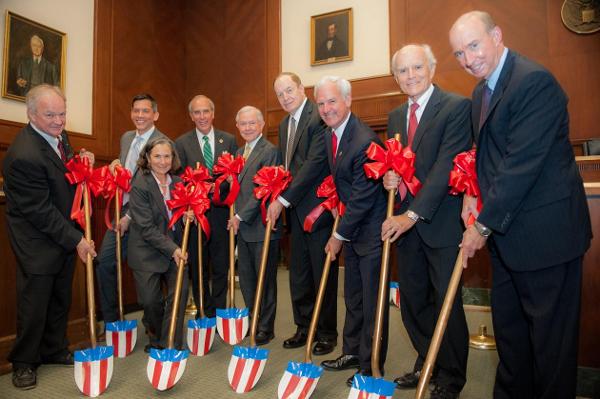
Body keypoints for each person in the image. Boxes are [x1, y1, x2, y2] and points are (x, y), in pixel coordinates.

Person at [449, 11, 592, 398]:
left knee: (550, 345)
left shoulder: (534, 82)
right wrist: (473, 192)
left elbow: (520, 165)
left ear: (496, 35)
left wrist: (481, 226)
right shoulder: (481, 91)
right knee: (511, 338)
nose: (468, 59)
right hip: (508, 238)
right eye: (459, 53)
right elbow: (489, 157)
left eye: (474, 45)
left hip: (548, 238)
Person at [380, 44, 471, 399]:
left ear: (431, 68)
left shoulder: (456, 107)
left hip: (441, 225)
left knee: (447, 304)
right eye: (402, 71)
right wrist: (390, 177)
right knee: (414, 300)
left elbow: (446, 167)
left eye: (417, 67)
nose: (410, 75)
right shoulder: (394, 116)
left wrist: (411, 214)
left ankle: (450, 377)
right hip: (407, 228)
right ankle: (426, 360)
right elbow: (397, 164)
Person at [3, 84, 96, 390]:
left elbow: (65, 169)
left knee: (60, 295)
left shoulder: (59, 137)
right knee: (35, 302)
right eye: (50, 114)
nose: (59, 120)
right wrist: (77, 239)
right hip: (37, 239)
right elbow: (41, 212)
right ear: (31, 114)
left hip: (62, 232)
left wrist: (82, 160)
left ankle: (54, 349)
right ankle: (24, 362)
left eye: (62, 113)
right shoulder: (23, 154)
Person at [315, 76, 388, 387]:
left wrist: (338, 235)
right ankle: (352, 351)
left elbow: (362, 197)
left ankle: (371, 363)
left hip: (370, 231)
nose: (327, 108)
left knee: (372, 300)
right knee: (354, 295)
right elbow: (344, 184)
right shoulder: (333, 134)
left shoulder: (364, 139)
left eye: (332, 101)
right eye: (321, 103)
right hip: (353, 228)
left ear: (347, 100)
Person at [267, 72, 338, 355]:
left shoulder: (318, 117)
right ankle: (304, 326)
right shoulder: (285, 124)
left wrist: (283, 200)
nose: (285, 97)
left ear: (301, 88)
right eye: (280, 94)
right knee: (299, 273)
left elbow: (314, 164)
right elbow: (288, 169)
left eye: (289, 90)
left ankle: (327, 333)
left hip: (317, 210)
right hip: (294, 212)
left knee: (322, 273)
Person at [95, 94, 166, 333]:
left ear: (155, 115)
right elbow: (129, 172)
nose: (140, 115)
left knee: (146, 270)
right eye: (136, 110)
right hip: (121, 211)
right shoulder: (127, 138)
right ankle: (113, 323)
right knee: (105, 261)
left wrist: (129, 217)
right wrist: (116, 164)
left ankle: (153, 323)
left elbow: (156, 188)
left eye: (145, 111)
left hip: (146, 216)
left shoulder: (162, 143)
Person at [175, 95, 238, 317]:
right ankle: (204, 311)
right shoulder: (181, 143)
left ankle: (220, 312)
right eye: (197, 112)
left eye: (205, 112)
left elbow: (235, 177)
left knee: (221, 265)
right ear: (191, 116)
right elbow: (178, 178)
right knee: (198, 265)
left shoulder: (228, 140)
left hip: (222, 213)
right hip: (196, 215)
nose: (202, 117)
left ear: (213, 113)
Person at [127, 137, 191, 351]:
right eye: (157, 156)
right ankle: (155, 336)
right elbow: (145, 228)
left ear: (173, 158)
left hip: (175, 249)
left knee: (179, 296)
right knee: (150, 302)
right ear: (147, 157)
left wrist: (188, 216)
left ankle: (169, 343)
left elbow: (179, 217)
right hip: (147, 251)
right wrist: (172, 249)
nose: (163, 161)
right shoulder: (140, 184)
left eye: (167, 156)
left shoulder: (180, 183)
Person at [227, 106, 281, 345]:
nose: (247, 128)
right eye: (243, 124)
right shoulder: (240, 152)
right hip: (244, 230)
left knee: (264, 279)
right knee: (247, 279)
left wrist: (239, 216)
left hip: (261, 226)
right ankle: (252, 319)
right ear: (237, 127)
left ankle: (265, 328)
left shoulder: (270, 151)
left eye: (252, 123)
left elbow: (262, 191)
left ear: (261, 125)